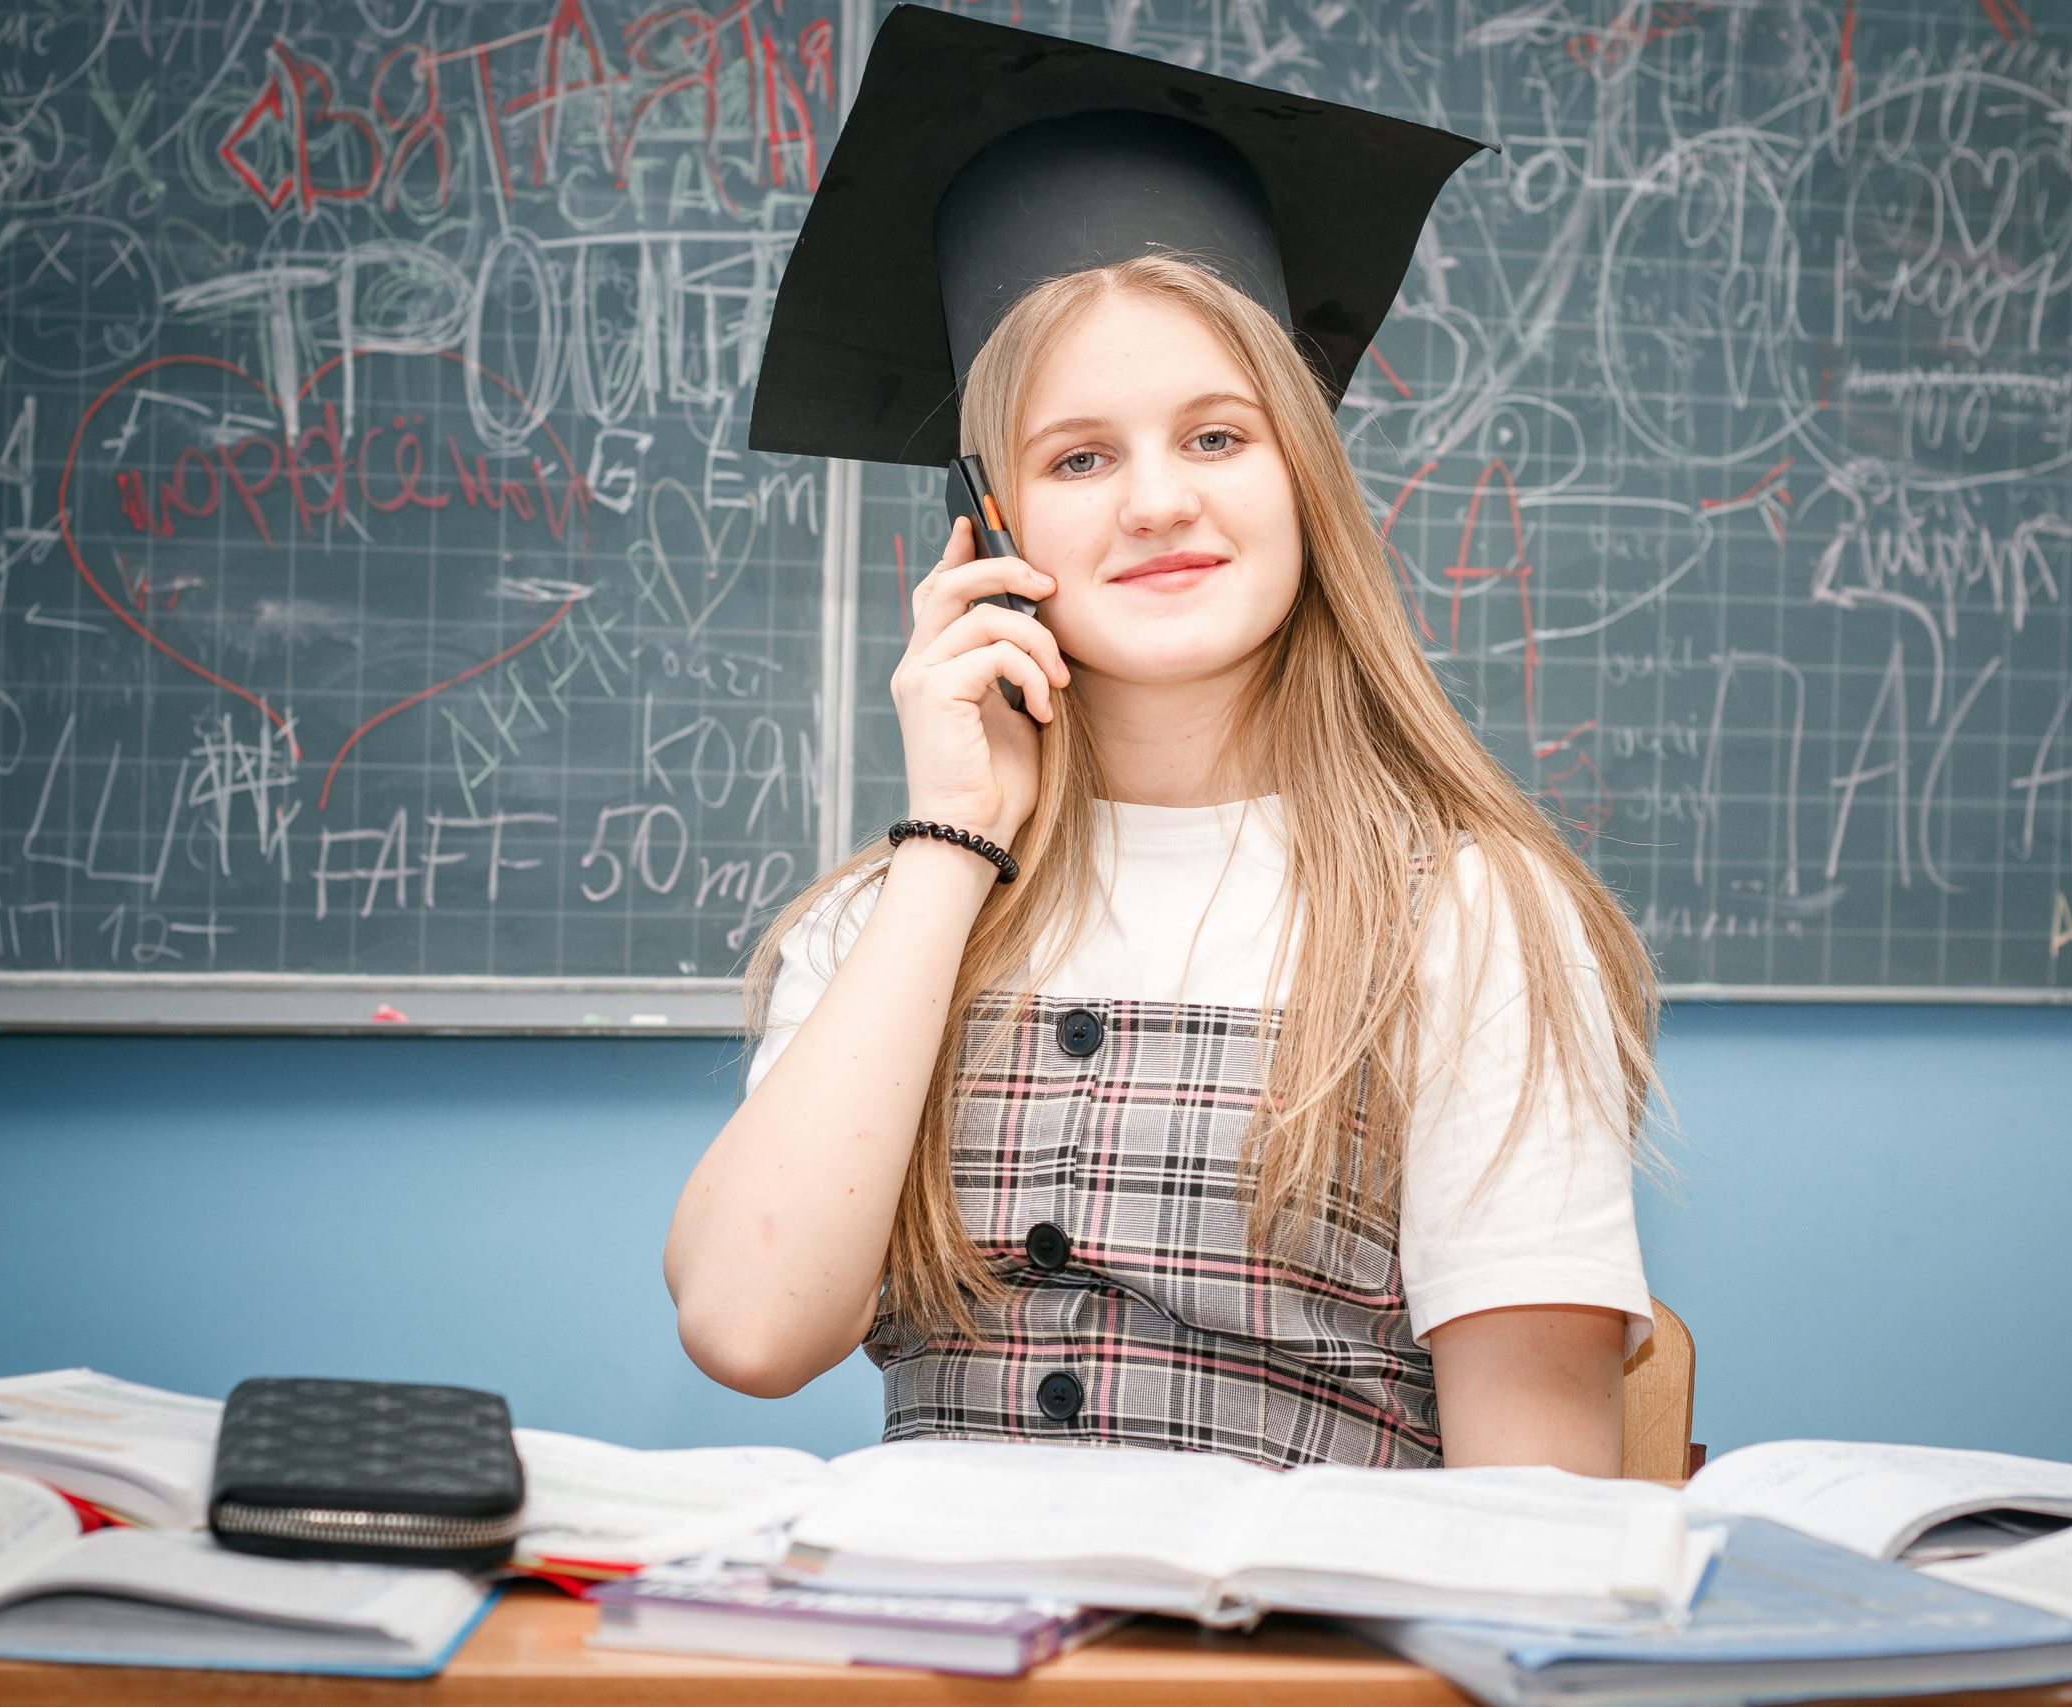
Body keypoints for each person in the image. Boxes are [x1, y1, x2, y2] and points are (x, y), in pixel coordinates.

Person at [664, 8, 1660, 1475]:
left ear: (1304, 479)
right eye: (1079, 458)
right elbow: (752, 1334)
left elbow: (1540, 1503)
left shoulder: (1468, 915)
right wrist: (953, 840)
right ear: (990, 528)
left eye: (1216, 436)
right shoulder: (893, 919)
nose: (1156, 502)